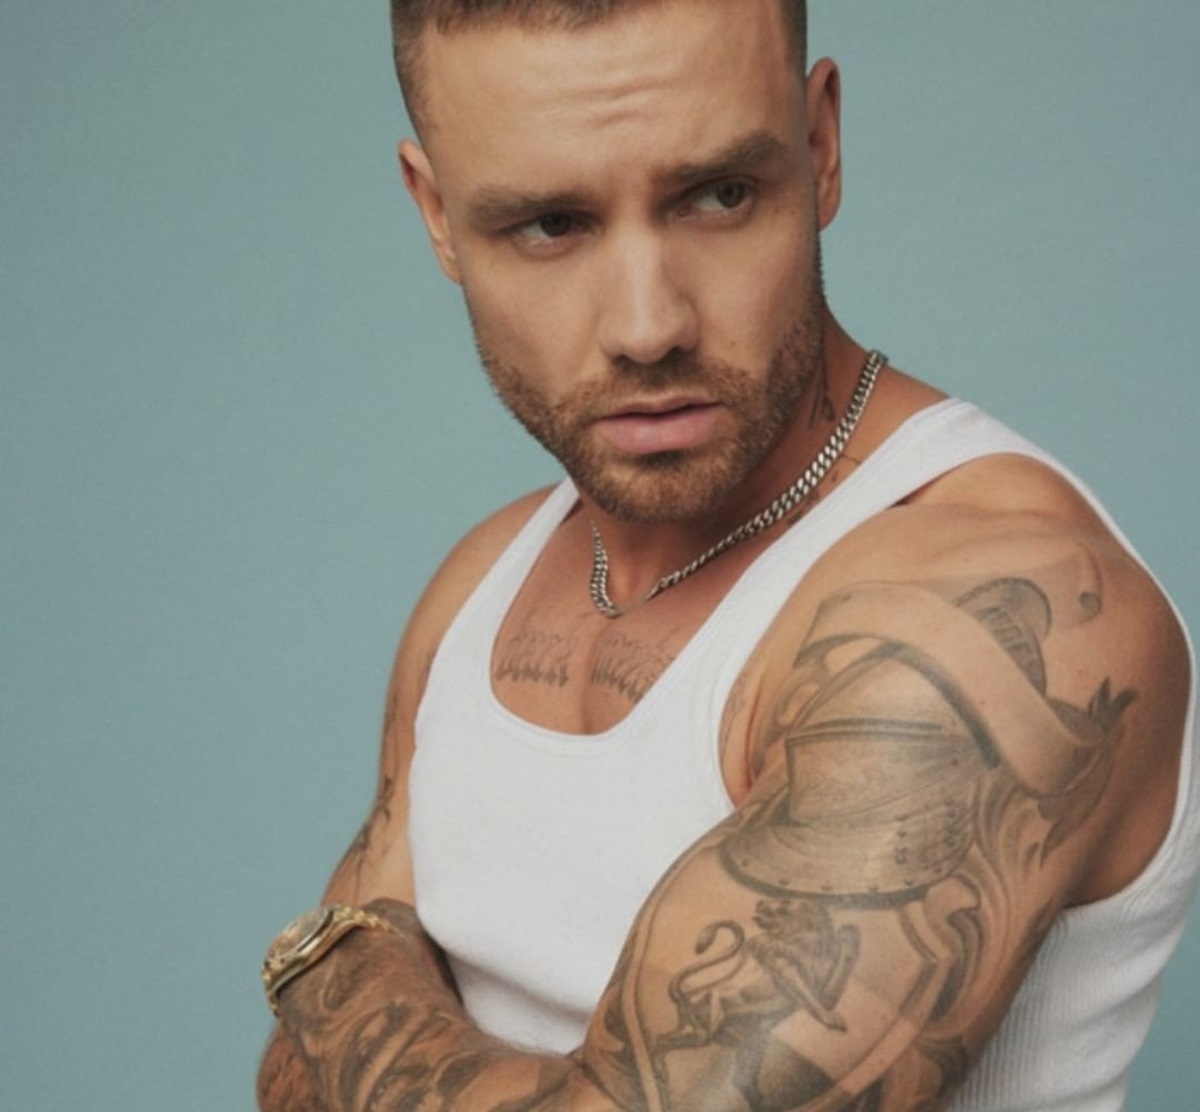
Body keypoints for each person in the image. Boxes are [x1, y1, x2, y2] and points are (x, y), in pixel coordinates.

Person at [256, 1, 1200, 1109]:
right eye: (551, 224)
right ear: (438, 215)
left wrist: (334, 961)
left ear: (820, 144)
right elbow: (288, 1087)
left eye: (718, 196)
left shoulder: (994, 604)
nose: (647, 324)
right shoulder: (482, 585)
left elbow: (329, 1020)